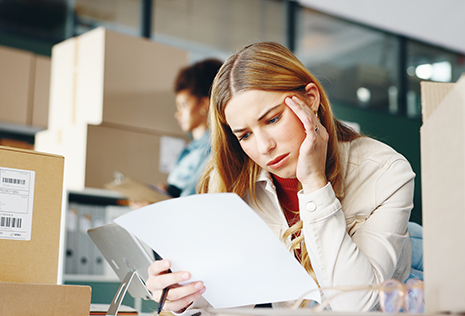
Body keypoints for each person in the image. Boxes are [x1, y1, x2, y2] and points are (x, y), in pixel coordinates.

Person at [145, 42, 415, 313]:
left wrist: (314, 184)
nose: (264, 147)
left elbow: (355, 304)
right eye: (245, 135)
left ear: (310, 98)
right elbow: (230, 289)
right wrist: (183, 294)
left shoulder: (384, 170)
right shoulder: (231, 181)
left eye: (272, 119)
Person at [129, 58, 222, 209]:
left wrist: (157, 205)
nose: (177, 114)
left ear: (205, 104)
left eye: (183, 105)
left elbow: (193, 201)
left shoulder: (214, 149)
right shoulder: (189, 150)